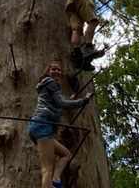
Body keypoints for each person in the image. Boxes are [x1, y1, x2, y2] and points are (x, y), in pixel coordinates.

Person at [27, 60, 92, 188]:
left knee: (66, 154)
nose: (57, 71)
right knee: (47, 168)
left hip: (43, 127)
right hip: (42, 125)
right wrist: (82, 101)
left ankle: (56, 179)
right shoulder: (51, 82)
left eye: (59, 70)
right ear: (48, 72)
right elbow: (61, 103)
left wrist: (69, 101)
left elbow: (57, 104)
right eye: (53, 69)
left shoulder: (49, 86)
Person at [65, 0, 111, 69]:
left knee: (77, 29)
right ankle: (88, 47)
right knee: (93, 21)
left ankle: (78, 55)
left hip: (70, 1)